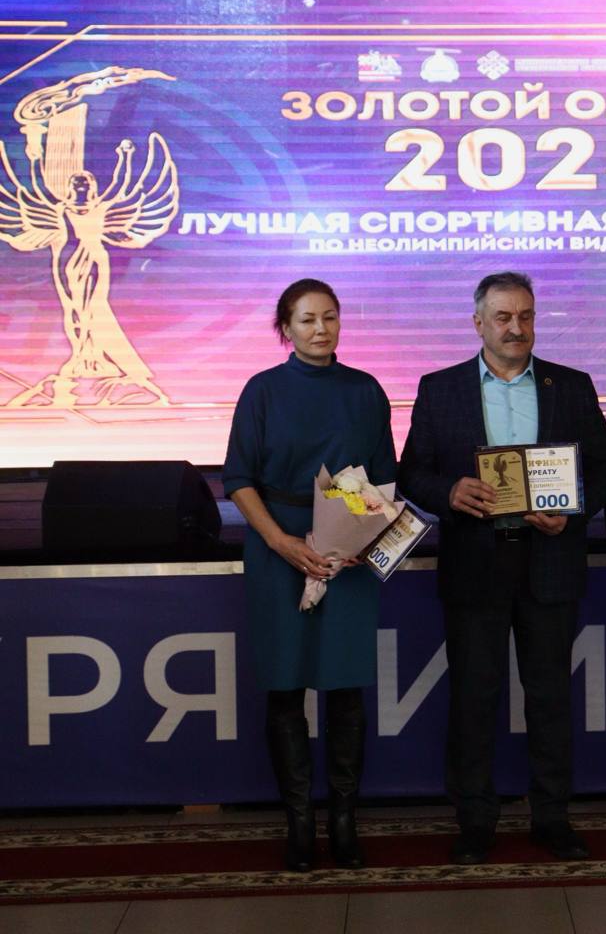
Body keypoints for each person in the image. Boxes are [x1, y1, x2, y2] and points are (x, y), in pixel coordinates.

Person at [397, 271, 606, 865]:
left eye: (525, 316)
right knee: (474, 698)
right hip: (476, 563)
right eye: (503, 317)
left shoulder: (571, 386)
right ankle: (475, 821)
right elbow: (412, 472)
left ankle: (552, 818)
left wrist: (573, 508)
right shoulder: (440, 389)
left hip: (550, 560)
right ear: (478, 323)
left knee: (551, 698)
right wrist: (449, 493)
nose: (516, 328)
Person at [223, 278, 395, 872]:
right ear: (286, 328)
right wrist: (281, 543)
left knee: (346, 689)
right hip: (279, 545)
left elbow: (383, 478)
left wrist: (360, 540)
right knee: (285, 687)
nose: (321, 329)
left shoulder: (366, 390)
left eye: (330, 317)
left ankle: (344, 821)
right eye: (306, 320)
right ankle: (299, 824)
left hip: (348, 552)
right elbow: (238, 478)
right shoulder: (262, 390)